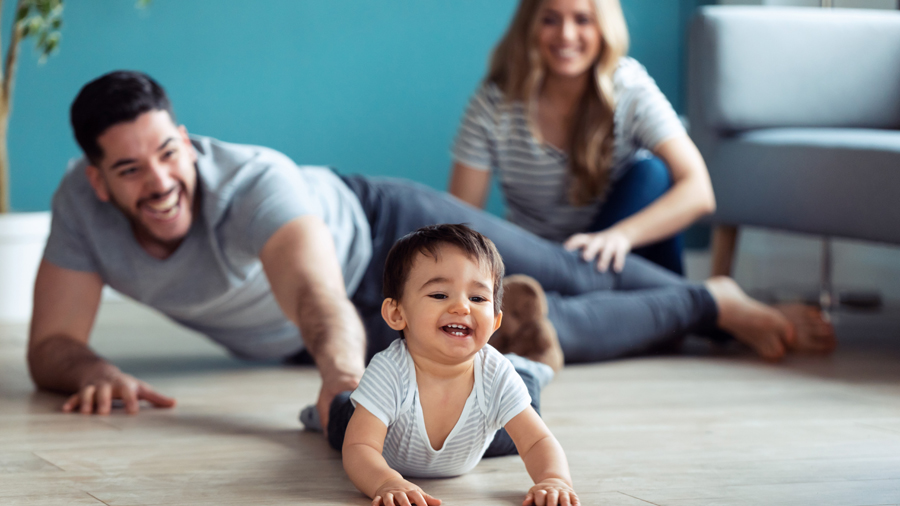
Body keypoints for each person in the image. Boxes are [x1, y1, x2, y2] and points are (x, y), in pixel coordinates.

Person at [29, 71, 833, 431]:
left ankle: (718, 301)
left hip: (382, 233)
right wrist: (91, 369)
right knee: (514, 335)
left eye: (171, 152)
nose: (162, 181)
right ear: (99, 181)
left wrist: (343, 384)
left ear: (187, 140)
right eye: (131, 169)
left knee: (569, 273)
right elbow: (51, 348)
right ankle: (707, 304)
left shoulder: (254, 183)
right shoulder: (80, 209)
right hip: (342, 323)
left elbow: (315, 299)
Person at [449, 0, 712, 275]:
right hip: (538, 261)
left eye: (583, 20)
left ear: (604, 27)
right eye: (550, 20)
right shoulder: (494, 102)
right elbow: (460, 220)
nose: (566, 34)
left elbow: (700, 191)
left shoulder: (629, 87)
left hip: (611, 254)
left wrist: (620, 236)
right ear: (529, 25)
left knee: (653, 173)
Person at [332, 224, 578, 506]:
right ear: (397, 313)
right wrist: (386, 481)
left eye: (477, 298)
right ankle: (329, 407)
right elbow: (360, 447)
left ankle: (534, 363)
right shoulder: (389, 370)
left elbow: (537, 441)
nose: (462, 307)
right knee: (341, 416)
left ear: (496, 321)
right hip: (381, 430)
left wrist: (554, 479)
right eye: (440, 295)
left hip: (473, 441)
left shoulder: (495, 373)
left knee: (523, 408)